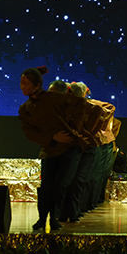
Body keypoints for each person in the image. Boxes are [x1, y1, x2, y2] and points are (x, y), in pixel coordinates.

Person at [19, 67, 86, 230]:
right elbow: (29, 132)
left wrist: (73, 129)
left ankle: (54, 217)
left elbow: (81, 104)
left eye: (26, 83)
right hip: (49, 149)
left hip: (69, 148)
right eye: (21, 83)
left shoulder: (53, 98)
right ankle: (42, 218)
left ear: (36, 85)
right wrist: (52, 137)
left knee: (60, 185)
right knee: (46, 186)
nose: (22, 87)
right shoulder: (25, 108)